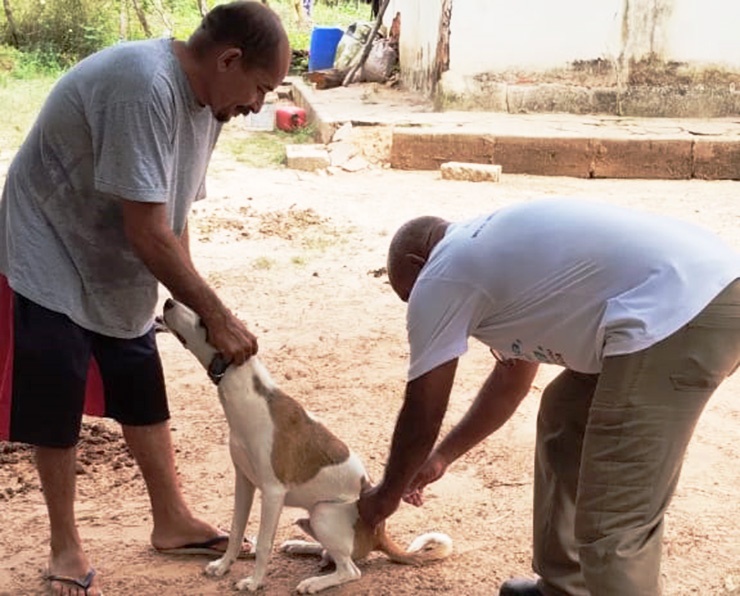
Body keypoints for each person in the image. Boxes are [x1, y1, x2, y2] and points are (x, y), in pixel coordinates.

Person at [0, 2, 290, 595]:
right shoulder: (143, 85)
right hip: (49, 241)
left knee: (137, 375)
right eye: (260, 87)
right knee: (55, 392)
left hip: (111, 244)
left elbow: (173, 216)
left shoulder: (210, 105)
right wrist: (215, 313)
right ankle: (65, 544)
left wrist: (193, 303)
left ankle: (172, 520)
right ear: (228, 59)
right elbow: (147, 232)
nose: (259, 104)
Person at [358, 198, 740, 596]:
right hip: (700, 290)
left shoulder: (443, 273)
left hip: (684, 311)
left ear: (419, 260)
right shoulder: (492, 255)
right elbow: (510, 383)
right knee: (564, 414)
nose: (417, 306)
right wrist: (442, 457)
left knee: (615, 512)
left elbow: (423, 409)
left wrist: (384, 497)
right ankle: (564, 587)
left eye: (411, 295)